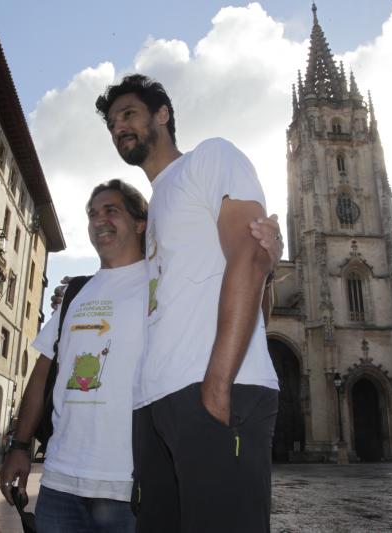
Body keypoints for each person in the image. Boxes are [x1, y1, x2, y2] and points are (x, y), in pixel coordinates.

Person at [0, 179, 284, 531]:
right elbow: (42, 372)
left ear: (139, 223)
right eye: (92, 214)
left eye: (111, 211)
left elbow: (250, 324)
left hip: (134, 486)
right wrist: (20, 445)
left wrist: (264, 274)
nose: (99, 220)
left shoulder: (167, 282)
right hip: (59, 483)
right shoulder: (75, 292)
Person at [95, 74, 281, 532]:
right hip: (158, 402)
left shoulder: (211, 157)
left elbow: (252, 256)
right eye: (113, 122)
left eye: (129, 114)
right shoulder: (156, 205)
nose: (119, 127)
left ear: (163, 115)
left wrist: (218, 384)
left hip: (210, 392)